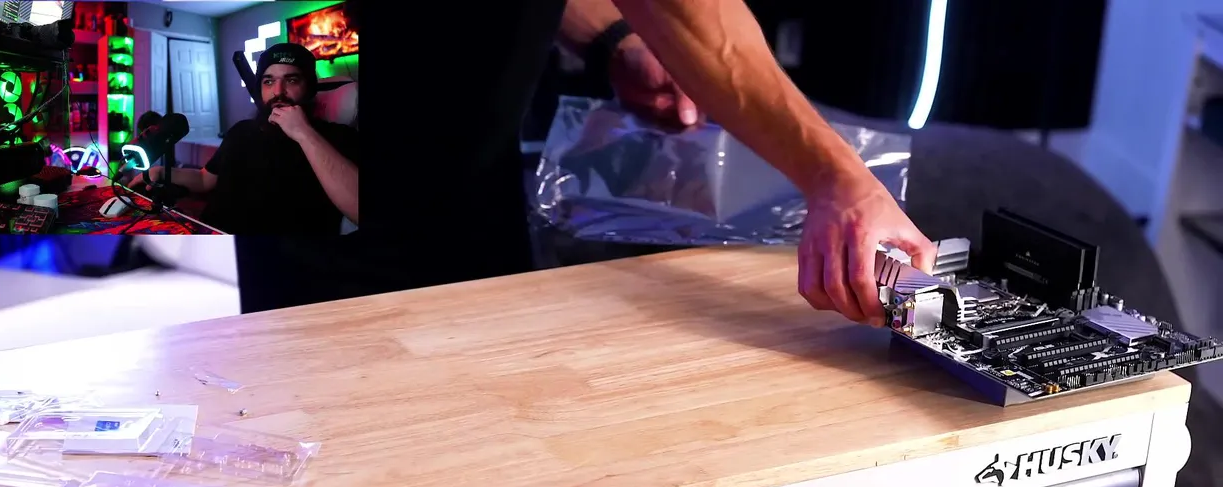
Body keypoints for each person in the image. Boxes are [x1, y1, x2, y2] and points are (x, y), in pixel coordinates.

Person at [251, 0, 935, 325]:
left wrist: (614, 39)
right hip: (361, 231)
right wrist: (838, 179)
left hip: (464, 191)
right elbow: (687, 11)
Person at [128, 43, 358, 240]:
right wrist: (160, 172)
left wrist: (304, 133)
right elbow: (205, 179)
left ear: (309, 88)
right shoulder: (242, 131)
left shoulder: (336, 137)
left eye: (291, 80)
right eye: (269, 81)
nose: (278, 92)